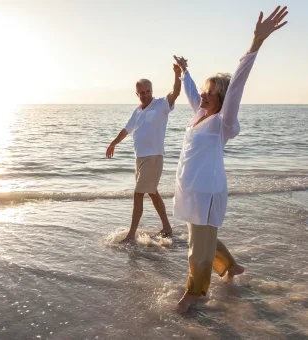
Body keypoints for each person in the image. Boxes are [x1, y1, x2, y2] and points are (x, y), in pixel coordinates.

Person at [173, 6, 288, 312]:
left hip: (208, 193)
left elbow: (237, 85)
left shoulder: (223, 122)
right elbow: (190, 92)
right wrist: (184, 72)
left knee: (197, 248)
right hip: (193, 192)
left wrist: (255, 43)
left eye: (211, 93)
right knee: (201, 238)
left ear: (222, 98)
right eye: (204, 91)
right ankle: (230, 267)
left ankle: (195, 293)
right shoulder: (199, 116)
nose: (204, 96)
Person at [106, 63, 182, 243]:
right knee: (153, 193)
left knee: (138, 194)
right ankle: (167, 227)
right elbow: (126, 130)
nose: (146, 95)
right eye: (142, 92)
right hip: (140, 159)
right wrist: (113, 143)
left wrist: (177, 74)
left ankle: (131, 235)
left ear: (152, 91)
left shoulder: (161, 105)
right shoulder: (137, 111)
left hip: (154, 157)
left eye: (148, 91)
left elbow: (175, 92)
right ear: (137, 94)